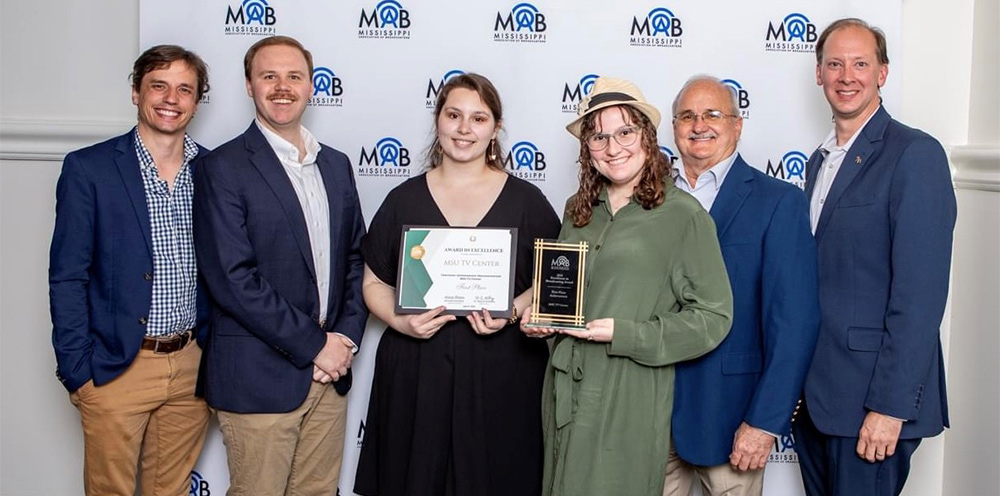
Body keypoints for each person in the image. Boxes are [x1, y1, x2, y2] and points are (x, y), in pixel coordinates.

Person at [523, 77, 733, 496]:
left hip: (628, 392)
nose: (612, 147)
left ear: (647, 137)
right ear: (587, 148)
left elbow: (713, 318)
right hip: (564, 387)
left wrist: (625, 332)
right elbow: (561, 293)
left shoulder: (683, 215)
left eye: (624, 132)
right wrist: (538, 320)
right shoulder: (578, 209)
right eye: (598, 137)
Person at [353, 73, 561, 496]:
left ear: (495, 128)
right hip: (416, 370)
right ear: (438, 121)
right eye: (454, 115)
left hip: (503, 371)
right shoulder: (403, 198)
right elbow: (373, 280)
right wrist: (400, 321)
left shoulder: (527, 201)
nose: (465, 129)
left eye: (478, 118)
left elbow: (552, 279)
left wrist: (512, 311)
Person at [193, 36, 367, 496]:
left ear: (312, 86)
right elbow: (232, 279)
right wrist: (316, 346)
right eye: (269, 76)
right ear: (249, 86)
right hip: (259, 378)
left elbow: (355, 258)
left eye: (294, 76)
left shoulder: (336, 164)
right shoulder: (222, 168)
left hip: (329, 379)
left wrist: (344, 339)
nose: (282, 87)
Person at [794, 18, 957, 496]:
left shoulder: (915, 154)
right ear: (818, 74)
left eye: (861, 63)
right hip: (818, 400)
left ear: (882, 73)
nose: (847, 76)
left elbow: (920, 296)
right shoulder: (819, 161)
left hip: (872, 404)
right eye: (835, 64)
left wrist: (890, 408)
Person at [49, 45, 212, 496]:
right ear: (136, 92)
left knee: (172, 490)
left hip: (192, 364)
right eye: (158, 85)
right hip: (116, 364)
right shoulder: (89, 168)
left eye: (185, 89)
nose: (171, 99)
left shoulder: (213, 169)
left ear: (198, 101)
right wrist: (76, 370)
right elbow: (67, 275)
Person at [662, 76, 820, 496]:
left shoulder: (778, 202)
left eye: (712, 114)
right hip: (653, 412)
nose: (699, 125)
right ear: (674, 128)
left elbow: (795, 324)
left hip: (733, 414)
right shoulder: (650, 198)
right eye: (687, 116)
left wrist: (766, 421)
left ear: (737, 124)